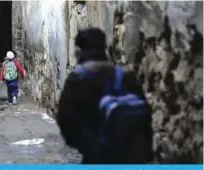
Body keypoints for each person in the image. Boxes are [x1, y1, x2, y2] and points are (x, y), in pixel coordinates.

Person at [56, 28, 153, 164]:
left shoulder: (78, 78)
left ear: (78, 51)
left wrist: (88, 147)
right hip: (130, 155)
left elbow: (66, 120)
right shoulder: (125, 75)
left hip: (98, 156)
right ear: (104, 47)